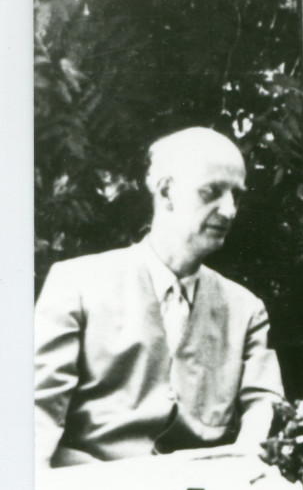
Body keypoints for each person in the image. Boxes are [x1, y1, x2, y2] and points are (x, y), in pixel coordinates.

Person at [34, 127, 285, 468]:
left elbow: (266, 407)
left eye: (236, 196)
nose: (229, 211)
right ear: (166, 192)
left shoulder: (246, 309)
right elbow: (35, 418)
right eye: (211, 192)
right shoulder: (76, 284)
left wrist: (245, 466)